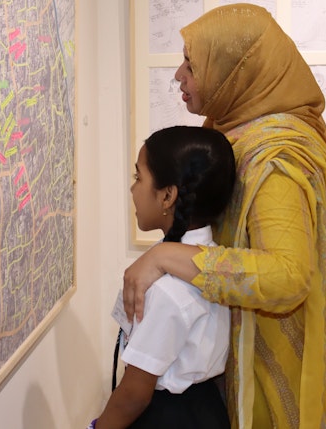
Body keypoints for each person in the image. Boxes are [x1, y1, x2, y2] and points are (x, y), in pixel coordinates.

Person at [122, 3, 326, 429]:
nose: (179, 75)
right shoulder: (235, 131)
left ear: (234, 72)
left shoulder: (275, 160)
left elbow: (287, 276)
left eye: (191, 64)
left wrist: (162, 257)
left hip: (271, 365)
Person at [91, 125, 236, 429]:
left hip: (169, 417)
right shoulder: (216, 261)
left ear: (168, 195)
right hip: (206, 409)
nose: (133, 189)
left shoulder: (166, 290)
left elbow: (134, 394)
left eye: (138, 178)